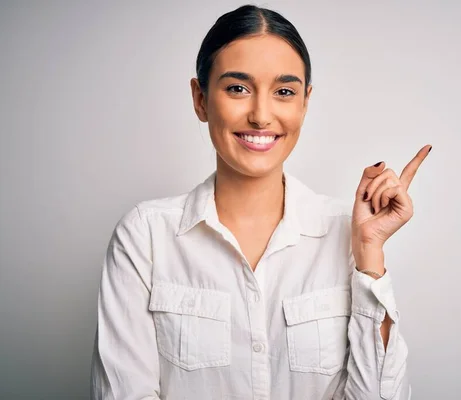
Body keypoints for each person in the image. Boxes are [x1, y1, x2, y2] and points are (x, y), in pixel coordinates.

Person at [90, 4, 431, 399]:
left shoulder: (348, 234)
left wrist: (370, 255)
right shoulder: (145, 236)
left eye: (284, 91)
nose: (261, 115)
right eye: (237, 88)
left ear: (304, 102)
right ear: (200, 99)